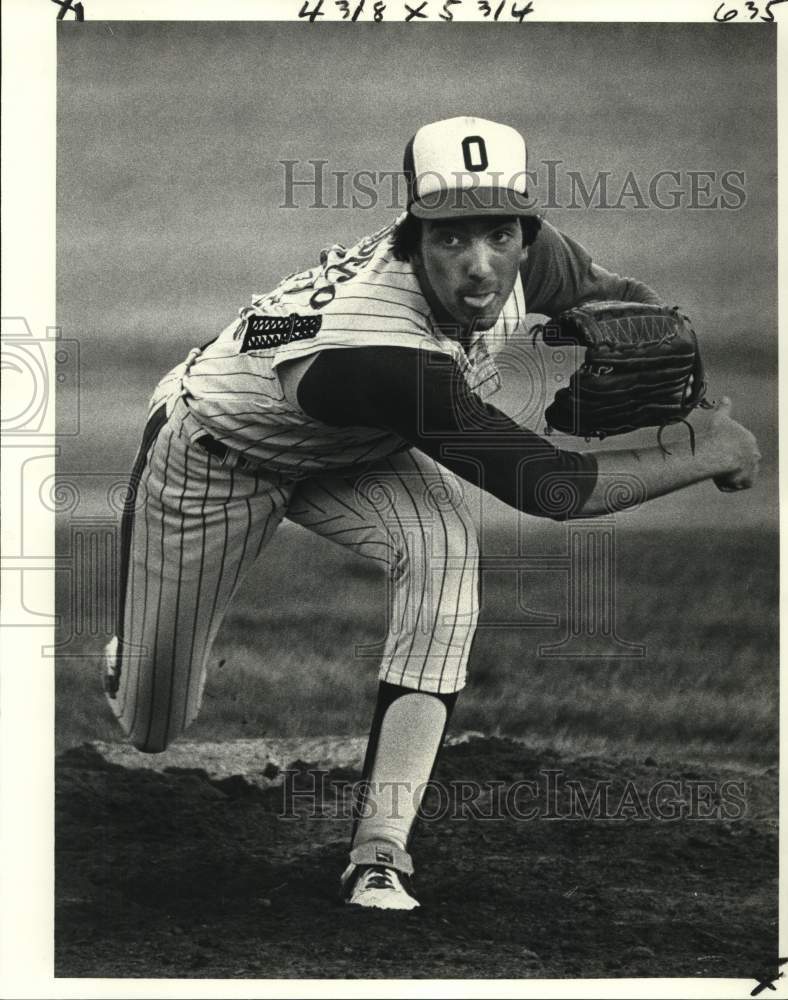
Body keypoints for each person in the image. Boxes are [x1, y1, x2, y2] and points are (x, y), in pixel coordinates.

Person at [104, 116, 760, 911]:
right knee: (153, 723)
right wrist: (708, 450)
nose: (481, 267)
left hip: (356, 449)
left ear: (525, 225)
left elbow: (625, 306)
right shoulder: (383, 349)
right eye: (451, 239)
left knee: (447, 556)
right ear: (415, 237)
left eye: (499, 233)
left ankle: (379, 854)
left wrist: (680, 384)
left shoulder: (532, 252)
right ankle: (133, 652)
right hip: (217, 453)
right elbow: (548, 489)